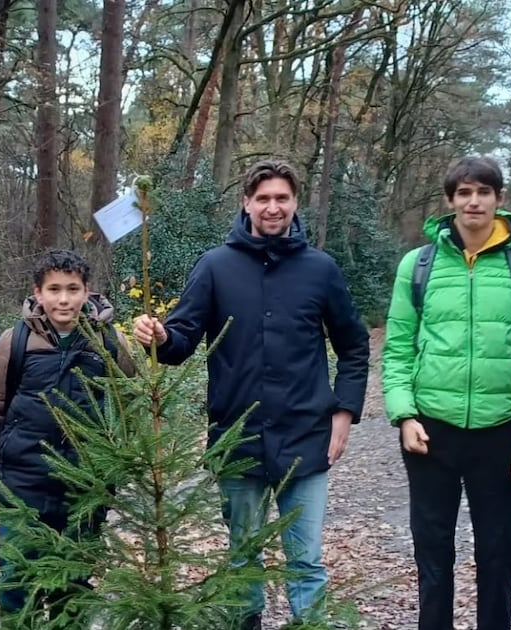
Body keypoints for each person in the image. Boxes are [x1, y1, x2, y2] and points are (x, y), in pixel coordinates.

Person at [132, 159, 371, 628]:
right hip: (237, 442)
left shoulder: (320, 269)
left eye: (282, 198)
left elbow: (354, 346)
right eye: (263, 198)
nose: (272, 207)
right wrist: (159, 337)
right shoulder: (216, 267)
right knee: (244, 560)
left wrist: (343, 413)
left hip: (307, 440)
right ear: (246, 203)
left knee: (305, 562)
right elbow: (180, 341)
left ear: (295, 203)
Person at [382, 156, 511, 630]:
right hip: (431, 431)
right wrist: (404, 413)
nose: (474, 202)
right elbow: (397, 347)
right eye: (464, 193)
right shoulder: (419, 264)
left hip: (501, 432)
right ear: (450, 201)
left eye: (484, 192)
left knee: (497, 553)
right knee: (433, 554)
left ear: (499, 199)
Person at [0, 248, 135, 618]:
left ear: (87, 292)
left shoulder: (109, 341)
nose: (63, 299)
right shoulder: (14, 341)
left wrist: (110, 461)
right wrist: (14, 450)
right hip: (24, 483)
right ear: (37, 292)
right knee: (19, 577)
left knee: (75, 581)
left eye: (72, 288)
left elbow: (132, 399)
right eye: (53, 289)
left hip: (86, 483)